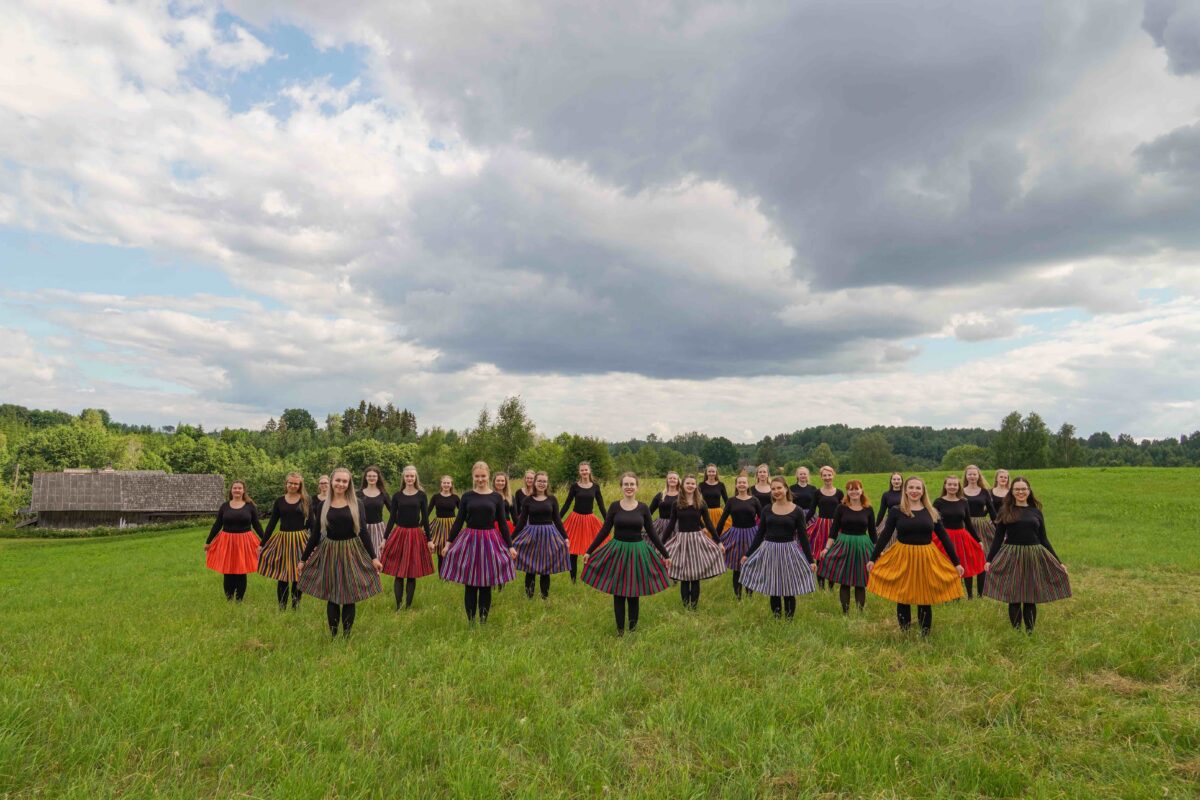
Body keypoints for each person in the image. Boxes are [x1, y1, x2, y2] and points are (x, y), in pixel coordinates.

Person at [866, 477, 965, 636]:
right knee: (903, 595)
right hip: (902, 556)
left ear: (923, 491)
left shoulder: (931, 511)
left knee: (924, 595)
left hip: (925, 557)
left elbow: (944, 538)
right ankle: (905, 633)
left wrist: (956, 563)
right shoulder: (897, 511)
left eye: (918, 488)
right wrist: (873, 558)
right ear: (905, 490)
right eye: (911, 487)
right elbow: (885, 535)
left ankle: (925, 634)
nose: (914, 491)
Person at [582, 472, 672, 635]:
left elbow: (652, 533)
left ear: (637, 487)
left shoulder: (643, 508)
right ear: (621, 487)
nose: (629, 487)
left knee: (633, 592)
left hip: (637, 552)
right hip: (617, 551)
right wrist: (589, 551)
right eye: (626, 484)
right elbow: (605, 530)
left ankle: (632, 630)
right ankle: (620, 631)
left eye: (632, 484)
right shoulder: (614, 507)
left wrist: (665, 555)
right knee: (618, 592)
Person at [297, 468, 382, 638]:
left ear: (349, 484)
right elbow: (315, 534)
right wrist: (303, 560)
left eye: (345, 481)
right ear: (331, 482)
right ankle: (334, 636)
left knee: (350, 594)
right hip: (330, 551)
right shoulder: (322, 505)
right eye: (338, 480)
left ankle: (347, 636)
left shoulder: (357, 504)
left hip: (352, 551)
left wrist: (374, 557)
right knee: (333, 594)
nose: (341, 484)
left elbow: (363, 532)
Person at [983, 477, 1071, 633]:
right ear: (1012, 492)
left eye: (1023, 489)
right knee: (1014, 596)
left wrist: (1059, 562)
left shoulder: (1036, 512)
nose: (1020, 492)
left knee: (1030, 596)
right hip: (1012, 556)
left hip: (1033, 556)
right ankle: (1016, 633)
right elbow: (998, 538)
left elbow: (1044, 538)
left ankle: (1030, 633)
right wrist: (989, 560)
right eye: (1017, 489)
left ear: (1029, 491)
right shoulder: (1005, 511)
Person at [441, 461, 516, 624]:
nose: (480, 479)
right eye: (477, 476)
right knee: (470, 584)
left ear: (488, 476)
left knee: (486, 583)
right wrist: (448, 543)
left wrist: (510, 546)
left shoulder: (496, 497)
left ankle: (483, 620)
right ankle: (471, 622)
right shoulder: (467, 496)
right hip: (470, 541)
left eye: (483, 476)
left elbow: (503, 524)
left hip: (490, 541)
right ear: (473, 477)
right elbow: (459, 521)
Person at [739, 476, 816, 619]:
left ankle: (788, 621)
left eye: (779, 488)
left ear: (786, 489)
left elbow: (803, 537)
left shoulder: (797, 511)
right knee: (773, 587)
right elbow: (759, 534)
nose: (776, 491)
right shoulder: (767, 509)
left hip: (789, 551)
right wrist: (748, 554)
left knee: (789, 588)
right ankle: (776, 620)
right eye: (773, 489)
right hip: (770, 551)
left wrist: (810, 560)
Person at [664, 475, 726, 610]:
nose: (690, 486)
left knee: (696, 575)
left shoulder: (701, 503)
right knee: (684, 576)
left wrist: (719, 542)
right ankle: (686, 607)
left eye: (693, 483)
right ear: (683, 485)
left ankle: (694, 607)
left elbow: (709, 524)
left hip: (697, 540)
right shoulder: (677, 503)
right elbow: (671, 525)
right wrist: (661, 543)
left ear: (696, 486)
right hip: (682, 541)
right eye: (688, 483)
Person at [380, 465, 435, 610]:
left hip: (415, 534)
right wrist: (384, 539)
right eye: (407, 476)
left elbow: (425, 518)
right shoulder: (397, 496)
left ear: (415, 478)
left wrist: (429, 540)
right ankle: (398, 606)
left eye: (412, 476)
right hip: (400, 534)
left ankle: (408, 606)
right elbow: (392, 518)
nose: (409, 478)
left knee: (412, 573)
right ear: (403, 478)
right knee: (398, 573)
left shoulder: (421, 495)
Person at [510, 471, 570, 599]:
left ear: (547, 484)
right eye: (539, 481)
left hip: (548, 535)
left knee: (545, 568)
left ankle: (544, 597)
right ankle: (529, 597)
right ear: (534, 483)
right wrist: (510, 540)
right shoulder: (527, 500)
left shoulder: (552, 499)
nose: (542, 483)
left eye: (544, 481)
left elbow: (557, 520)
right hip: (532, 535)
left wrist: (565, 537)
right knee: (530, 566)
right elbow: (521, 522)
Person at [819, 480, 875, 614]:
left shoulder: (868, 509)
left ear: (861, 490)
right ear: (847, 492)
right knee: (845, 581)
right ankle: (845, 613)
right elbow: (834, 531)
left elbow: (873, 533)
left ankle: (860, 613)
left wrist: (877, 551)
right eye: (850, 489)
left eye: (856, 489)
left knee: (860, 580)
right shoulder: (841, 508)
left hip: (862, 545)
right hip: (844, 544)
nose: (854, 492)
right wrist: (826, 548)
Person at [258, 472, 310, 610]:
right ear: (286, 484)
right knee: (283, 574)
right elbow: (272, 523)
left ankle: (295, 606)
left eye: (296, 483)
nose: (293, 485)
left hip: (300, 540)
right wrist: (262, 544)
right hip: (283, 540)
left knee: (298, 574)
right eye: (290, 483)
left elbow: (313, 523)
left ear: (300, 485)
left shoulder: (305, 500)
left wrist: (313, 541)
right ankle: (282, 607)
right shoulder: (279, 501)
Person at [205, 480, 263, 602]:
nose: (237, 490)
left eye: (239, 488)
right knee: (228, 571)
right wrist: (208, 541)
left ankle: (239, 600)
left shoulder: (250, 506)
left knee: (241, 571)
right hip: (227, 541)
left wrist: (265, 540)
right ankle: (229, 600)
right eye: (235, 488)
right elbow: (217, 524)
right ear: (231, 490)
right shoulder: (224, 506)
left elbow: (256, 525)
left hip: (244, 542)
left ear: (243, 490)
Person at [933, 475, 986, 598]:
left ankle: (969, 595)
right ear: (945, 486)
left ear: (958, 487)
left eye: (955, 485)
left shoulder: (963, 501)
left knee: (965, 563)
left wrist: (978, 540)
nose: (952, 487)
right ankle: (949, 594)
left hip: (961, 536)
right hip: (944, 537)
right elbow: (932, 521)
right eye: (949, 484)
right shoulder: (938, 502)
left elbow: (968, 523)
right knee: (947, 566)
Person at [715, 472, 761, 600]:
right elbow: (722, 520)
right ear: (736, 485)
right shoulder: (731, 501)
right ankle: (738, 597)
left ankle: (749, 595)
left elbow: (763, 519)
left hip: (751, 535)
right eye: (739, 482)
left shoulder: (754, 500)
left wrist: (765, 535)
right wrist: (716, 538)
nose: (741, 484)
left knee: (749, 565)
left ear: (747, 485)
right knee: (737, 566)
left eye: (744, 482)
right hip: (736, 535)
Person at [561, 462, 606, 583]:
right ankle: (573, 580)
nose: (584, 472)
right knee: (573, 551)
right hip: (575, 520)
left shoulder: (595, 487)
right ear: (579, 472)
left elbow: (601, 505)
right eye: (582, 470)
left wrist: (609, 521)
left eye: (586, 470)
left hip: (589, 521)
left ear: (589, 471)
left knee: (590, 549)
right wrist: (557, 518)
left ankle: (589, 577)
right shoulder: (575, 486)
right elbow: (567, 504)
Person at [807, 466, 844, 590]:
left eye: (829, 475)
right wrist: (801, 524)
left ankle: (831, 586)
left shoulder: (839, 493)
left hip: (835, 527)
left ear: (833, 475)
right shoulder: (817, 493)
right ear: (821, 477)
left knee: (833, 556)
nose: (827, 477)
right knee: (820, 555)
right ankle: (821, 587)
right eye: (825, 475)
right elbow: (812, 511)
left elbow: (844, 510)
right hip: (821, 526)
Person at [962, 465, 995, 596]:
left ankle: (981, 594)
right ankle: (969, 594)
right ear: (966, 476)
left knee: (982, 557)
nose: (972, 476)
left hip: (982, 526)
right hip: (965, 526)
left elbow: (992, 512)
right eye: (969, 474)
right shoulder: (961, 492)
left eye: (974, 474)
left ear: (978, 476)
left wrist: (1000, 528)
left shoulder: (984, 492)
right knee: (968, 559)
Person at [428, 476, 459, 574]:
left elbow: (463, 512)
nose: (446, 485)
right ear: (441, 484)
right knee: (440, 550)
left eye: (448, 483)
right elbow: (428, 511)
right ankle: (441, 575)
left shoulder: (455, 497)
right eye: (444, 483)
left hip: (451, 525)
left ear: (451, 484)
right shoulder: (435, 497)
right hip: (439, 525)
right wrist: (420, 524)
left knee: (451, 550)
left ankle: (450, 574)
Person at [359, 465, 391, 559]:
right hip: (363, 529)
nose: (371, 478)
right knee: (363, 556)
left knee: (379, 556)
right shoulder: (358, 494)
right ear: (365, 477)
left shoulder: (383, 494)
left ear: (378, 478)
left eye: (374, 476)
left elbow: (393, 513)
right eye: (369, 476)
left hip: (379, 529)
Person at [647, 471, 681, 543]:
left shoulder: (682, 496)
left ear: (678, 481)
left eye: (674, 478)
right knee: (658, 544)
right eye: (670, 478)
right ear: (667, 480)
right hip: (661, 525)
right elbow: (649, 511)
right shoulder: (660, 495)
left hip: (677, 525)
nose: (672, 480)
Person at [699, 464, 730, 534]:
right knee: (706, 533)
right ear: (706, 473)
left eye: (713, 471)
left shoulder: (721, 485)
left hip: (718, 513)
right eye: (709, 471)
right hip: (705, 513)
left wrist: (729, 512)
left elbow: (726, 500)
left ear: (716, 473)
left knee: (720, 532)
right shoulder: (701, 485)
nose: (711, 473)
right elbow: (696, 499)